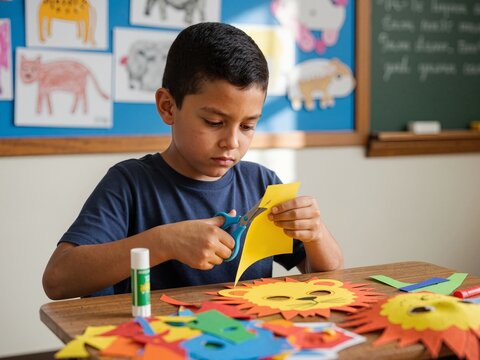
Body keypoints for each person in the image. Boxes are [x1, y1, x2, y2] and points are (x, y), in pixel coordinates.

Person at [42, 22, 343, 300]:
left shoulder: (262, 184)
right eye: (214, 121)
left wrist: (316, 233)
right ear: (167, 107)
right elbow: (57, 280)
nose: (233, 141)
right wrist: (162, 243)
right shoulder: (129, 183)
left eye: (248, 126)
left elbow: (328, 277)